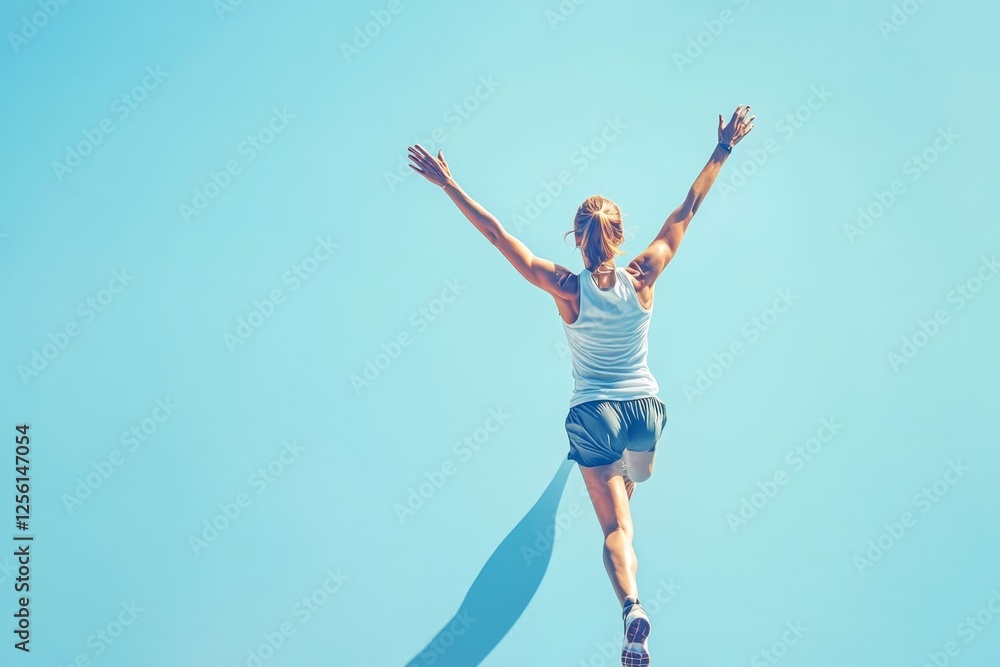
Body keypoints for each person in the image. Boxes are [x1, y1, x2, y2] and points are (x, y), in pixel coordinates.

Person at [406, 104, 755, 667]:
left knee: (617, 524)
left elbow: (499, 238)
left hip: (593, 413)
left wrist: (448, 184)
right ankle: (628, 478)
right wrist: (723, 147)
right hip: (644, 411)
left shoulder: (566, 287)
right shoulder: (644, 273)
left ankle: (633, 609)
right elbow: (688, 210)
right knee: (638, 475)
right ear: (618, 236)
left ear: (577, 238)